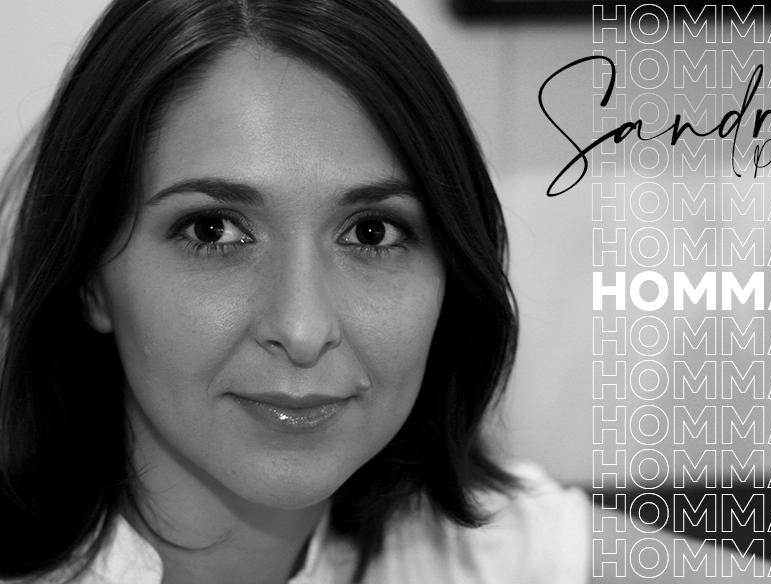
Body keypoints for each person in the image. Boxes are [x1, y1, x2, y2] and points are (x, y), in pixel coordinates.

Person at [0, 0, 588, 583]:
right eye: (214, 231)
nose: (303, 330)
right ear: (90, 277)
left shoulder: (485, 552)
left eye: (371, 232)